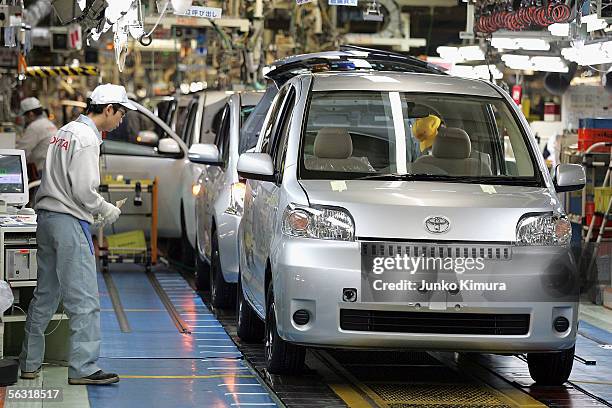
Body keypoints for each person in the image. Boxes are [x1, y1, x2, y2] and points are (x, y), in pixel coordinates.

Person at [19, 84, 136, 385]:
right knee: (83, 299)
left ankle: (29, 362)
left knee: (44, 295)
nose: (121, 120)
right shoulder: (87, 139)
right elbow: (84, 190)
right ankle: (83, 368)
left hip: (46, 218)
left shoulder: (65, 131)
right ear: (108, 109)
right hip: (68, 223)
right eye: (121, 113)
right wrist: (105, 209)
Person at [17, 97, 58, 177]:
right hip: (53, 170)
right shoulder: (49, 124)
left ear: (31, 114)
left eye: (25, 116)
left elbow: (21, 151)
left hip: (42, 172)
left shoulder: (34, 127)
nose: (24, 119)